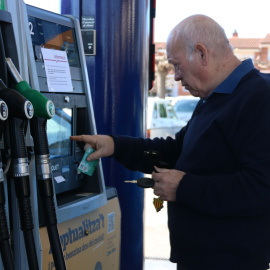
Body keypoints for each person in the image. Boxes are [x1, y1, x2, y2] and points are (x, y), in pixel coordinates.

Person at [70, 14, 270, 270]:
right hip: (201, 257)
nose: (175, 76)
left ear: (201, 54)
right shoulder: (216, 97)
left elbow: (262, 188)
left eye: (176, 64)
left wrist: (183, 188)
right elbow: (176, 151)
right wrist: (114, 145)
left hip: (231, 260)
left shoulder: (259, 97)